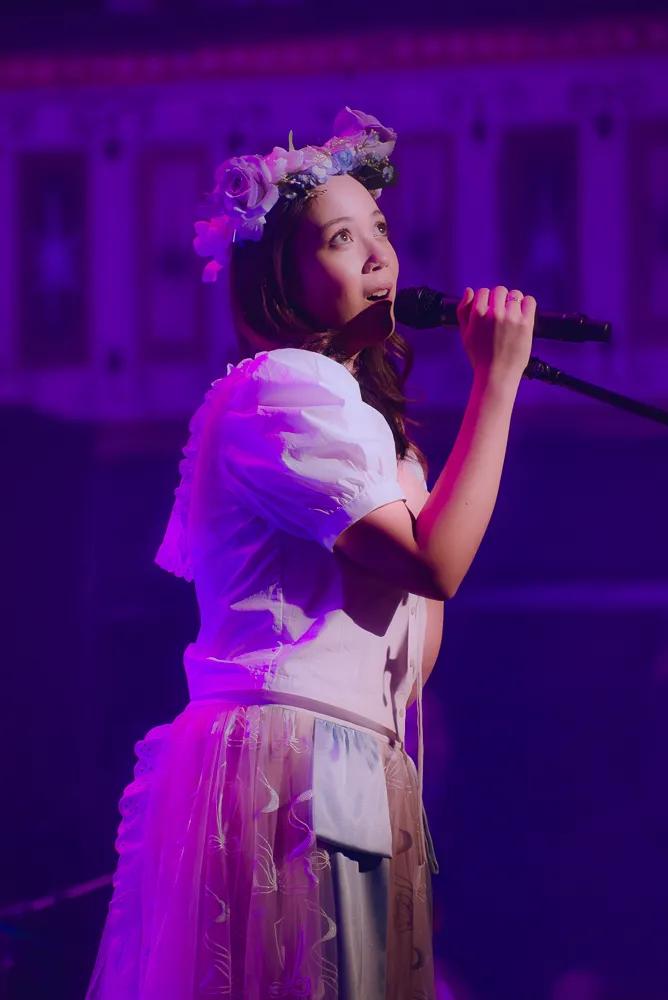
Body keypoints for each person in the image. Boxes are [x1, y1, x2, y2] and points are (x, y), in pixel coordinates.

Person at [85, 106, 536, 1000]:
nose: (378, 257)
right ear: (280, 281)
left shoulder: (359, 423)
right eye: (340, 238)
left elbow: (410, 657)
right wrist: (498, 382)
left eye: (380, 229)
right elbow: (437, 566)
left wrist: (416, 470)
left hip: (349, 754)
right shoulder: (281, 391)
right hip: (292, 761)